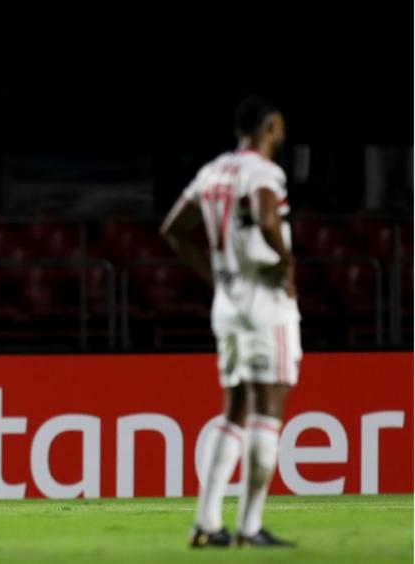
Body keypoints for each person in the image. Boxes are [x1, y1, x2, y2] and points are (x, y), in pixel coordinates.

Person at [160, 96, 299, 548]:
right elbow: (263, 213)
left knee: (235, 408)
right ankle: (250, 526)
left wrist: (215, 276)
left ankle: (206, 522)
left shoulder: (212, 171)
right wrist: (285, 262)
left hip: (229, 302)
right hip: (263, 298)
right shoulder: (264, 172)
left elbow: (174, 229)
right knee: (268, 408)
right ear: (270, 127)